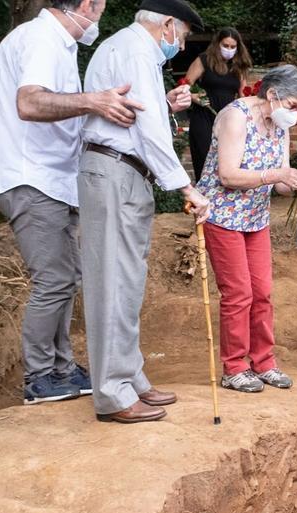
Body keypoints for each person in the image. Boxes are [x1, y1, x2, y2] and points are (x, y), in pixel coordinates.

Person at [0, 0, 143, 405]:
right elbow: (30, 102)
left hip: (50, 180)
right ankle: (39, 378)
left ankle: (62, 368)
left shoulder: (56, 44)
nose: (100, 17)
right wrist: (94, 100)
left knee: (64, 278)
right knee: (53, 280)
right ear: (87, 4)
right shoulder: (41, 40)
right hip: (31, 177)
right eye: (101, 7)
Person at [78, 0, 210, 424]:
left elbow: (146, 116)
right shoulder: (135, 50)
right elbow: (148, 131)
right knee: (112, 283)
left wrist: (166, 104)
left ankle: (129, 376)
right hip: (114, 172)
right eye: (184, 34)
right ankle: (113, 394)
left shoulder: (138, 52)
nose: (182, 43)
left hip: (125, 174)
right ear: (168, 24)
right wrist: (187, 186)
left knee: (128, 282)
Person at [196, 65, 297, 393]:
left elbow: (280, 181)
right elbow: (228, 175)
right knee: (238, 293)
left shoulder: (279, 125)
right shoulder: (235, 117)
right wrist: (276, 176)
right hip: (222, 215)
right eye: (294, 107)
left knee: (262, 292)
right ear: (273, 95)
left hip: (255, 218)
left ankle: (263, 361)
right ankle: (234, 367)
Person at [183, 27, 251, 181]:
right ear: (217, 44)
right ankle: (203, 200)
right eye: (225, 46)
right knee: (204, 161)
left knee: (227, 162)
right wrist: (195, 97)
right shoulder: (204, 60)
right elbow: (184, 87)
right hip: (204, 116)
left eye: (232, 47)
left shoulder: (238, 66)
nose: (229, 49)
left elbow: (243, 95)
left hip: (228, 120)